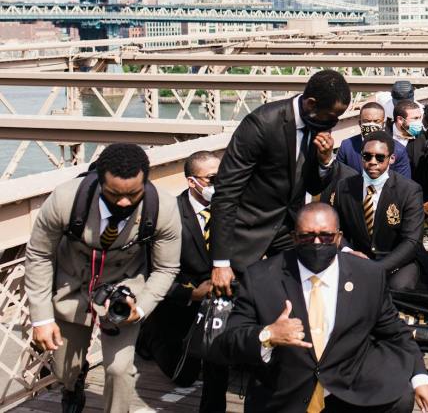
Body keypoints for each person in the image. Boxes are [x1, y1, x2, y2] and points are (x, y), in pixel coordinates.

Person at [217, 203, 428, 413]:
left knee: (400, 398)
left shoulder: (368, 275)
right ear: (294, 238)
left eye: (326, 236)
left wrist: (420, 377)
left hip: (349, 388)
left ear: (338, 238)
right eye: (307, 236)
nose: (317, 243)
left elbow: (395, 332)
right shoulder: (261, 277)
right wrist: (268, 335)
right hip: (284, 395)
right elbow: (229, 340)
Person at [26, 144, 182, 413]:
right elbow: (39, 254)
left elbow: (166, 268)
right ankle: (73, 384)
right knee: (65, 370)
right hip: (71, 287)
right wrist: (41, 318)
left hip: (124, 292)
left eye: (133, 194)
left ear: (145, 181)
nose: (123, 202)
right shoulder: (65, 199)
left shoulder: (163, 209)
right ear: (99, 181)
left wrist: (141, 307)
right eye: (114, 194)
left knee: (120, 370)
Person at [211, 70, 347, 296]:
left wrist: (325, 162)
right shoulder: (261, 124)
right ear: (311, 104)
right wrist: (221, 262)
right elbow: (226, 192)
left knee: (302, 292)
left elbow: (313, 186)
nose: (333, 123)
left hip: (289, 230)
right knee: (242, 303)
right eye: (331, 117)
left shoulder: (319, 123)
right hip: (248, 231)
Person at [139, 151, 228, 412]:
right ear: (192, 182)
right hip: (183, 304)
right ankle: (147, 338)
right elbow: (153, 271)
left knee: (223, 360)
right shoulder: (168, 215)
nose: (219, 184)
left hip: (223, 299)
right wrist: (191, 294)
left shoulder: (231, 206)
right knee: (184, 374)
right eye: (212, 178)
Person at [332, 132, 424, 290]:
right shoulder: (344, 187)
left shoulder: (409, 191)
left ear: (392, 159)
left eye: (380, 157)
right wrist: (348, 251)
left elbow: (411, 241)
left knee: (398, 288)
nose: (373, 162)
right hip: (357, 260)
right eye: (367, 156)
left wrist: (377, 268)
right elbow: (336, 231)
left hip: (398, 263)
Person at [338, 102, 412, 177]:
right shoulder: (347, 146)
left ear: (383, 124)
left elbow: (404, 183)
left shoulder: (398, 150)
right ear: (360, 123)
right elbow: (339, 177)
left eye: (376, 121)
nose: (371, 125)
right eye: (367, 121)